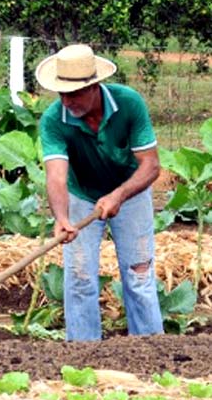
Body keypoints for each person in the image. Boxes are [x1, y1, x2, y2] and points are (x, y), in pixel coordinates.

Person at [36, 44, 163, 342]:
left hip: (130, 191)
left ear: (94, 86)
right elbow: (56, 175)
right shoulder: (53, 120)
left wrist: (118, 195)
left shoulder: (128, 103)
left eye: (75, 94)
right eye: (62, 94)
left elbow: (152, 166)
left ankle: (151, 348)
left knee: (139, 273)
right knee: (79, 277)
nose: (67, 101)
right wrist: (62, 218)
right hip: (82, 195)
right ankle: (83, 352)